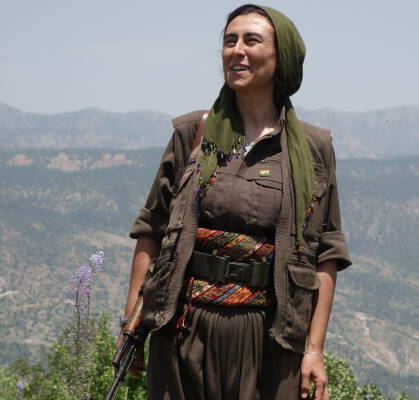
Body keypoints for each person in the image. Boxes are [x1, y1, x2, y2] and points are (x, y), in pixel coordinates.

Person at [120, 4, 351, 399]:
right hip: (185, 329)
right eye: (230, 41)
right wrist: (132, 320)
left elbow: (326, 253)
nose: (237, 51)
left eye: (251, 40)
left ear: (282, 57)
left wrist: (314, 350)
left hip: (271, 341)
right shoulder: (193, 134)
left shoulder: (313, 148)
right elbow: (153, 228)